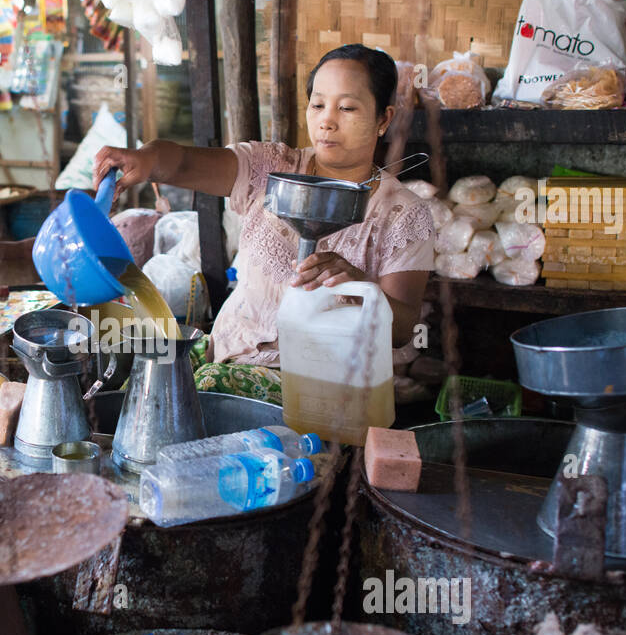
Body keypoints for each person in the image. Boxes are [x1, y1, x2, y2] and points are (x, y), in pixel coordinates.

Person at [94, 44, 433, 404]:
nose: (327, 120)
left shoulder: (404, 213)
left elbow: (401, 330)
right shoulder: (270, 169)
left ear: (384, 118)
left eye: (347, 107)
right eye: (317, 105)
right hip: (225, 353)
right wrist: (144, 159)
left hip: (318, 388)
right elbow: (180, 164)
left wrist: (360, 286)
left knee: (193, 397)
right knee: (139, 388)